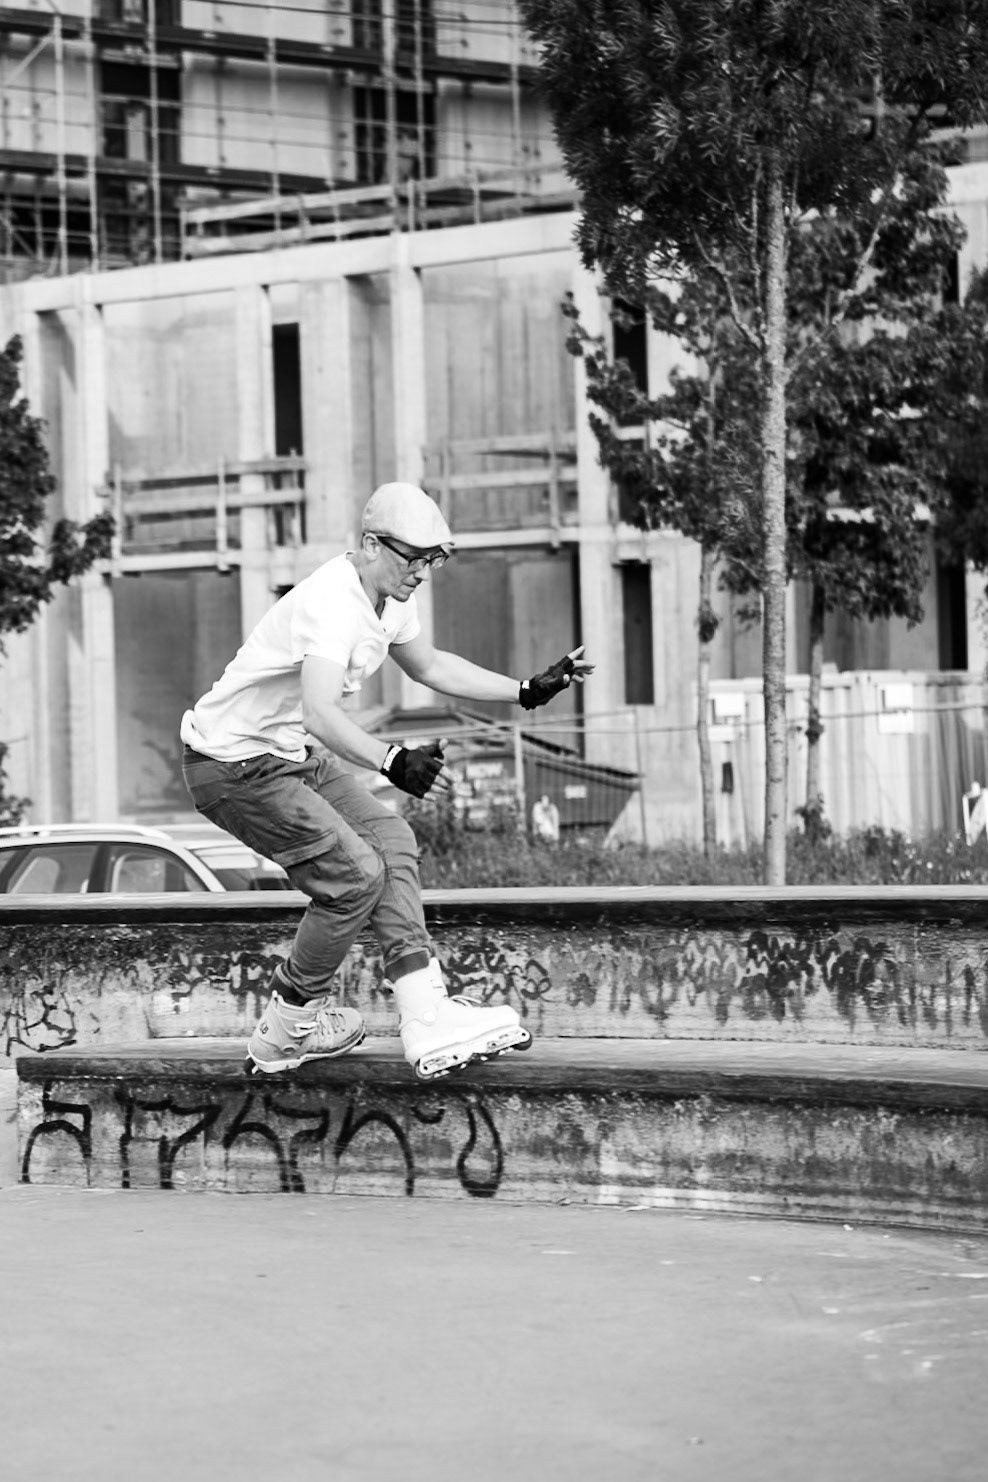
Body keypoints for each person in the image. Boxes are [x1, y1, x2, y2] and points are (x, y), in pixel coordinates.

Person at [180, 481, 594, 1082]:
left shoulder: (392, 598)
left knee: (392, 841)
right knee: (353, 877)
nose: (423, 572)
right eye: (414, 558)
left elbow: (429, 665)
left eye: (434, 560)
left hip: (285, 755)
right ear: (371, 544)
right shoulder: (331, 601)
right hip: (231, 766)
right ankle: (286, 1031)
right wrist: (393, 760)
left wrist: (527, 689)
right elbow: (323, 711)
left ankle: (425, 1013)